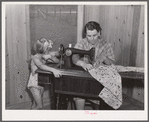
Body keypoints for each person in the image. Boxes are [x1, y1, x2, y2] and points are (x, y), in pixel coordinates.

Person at [72, 21, 116, 110]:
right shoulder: (82, 43)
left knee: (100, 101)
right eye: (89, 36)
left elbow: (113, 64)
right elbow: (74, 57)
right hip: (84, 79)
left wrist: (104, 58)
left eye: (94, 35)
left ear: (99, 33)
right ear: (86, 34)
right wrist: (82, 63)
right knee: (79, 95)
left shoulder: (106, 45)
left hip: (99, 81)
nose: (92, 39)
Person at [27, 37, 61, 110]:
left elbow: (57, 61)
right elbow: (41, 66)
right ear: (42, 49)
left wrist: (51, 56)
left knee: (35, 103)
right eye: (47, 49)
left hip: (40, 82)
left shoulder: (44, 56)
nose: (49, 50)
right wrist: (53, 70)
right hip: (34, 84)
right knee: (39, 106)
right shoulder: (35, 58)